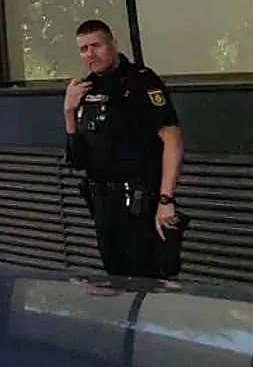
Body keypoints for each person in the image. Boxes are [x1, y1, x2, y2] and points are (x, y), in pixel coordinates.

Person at [64, 19, 185, 278]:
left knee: (150, 282)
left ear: (114, 45)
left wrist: (166, 200)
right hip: (103, 204)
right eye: (84, 49)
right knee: (116, 281)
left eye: (96, 45)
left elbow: (173, 141)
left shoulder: (141, 82)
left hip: (140, 202)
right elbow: (77, 160)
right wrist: (69, 112)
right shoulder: (84, 90)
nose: (90, 54)